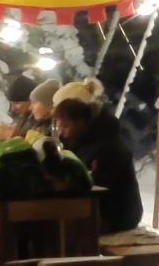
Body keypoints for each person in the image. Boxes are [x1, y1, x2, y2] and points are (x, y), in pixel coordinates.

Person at [50, 79, 143, 234]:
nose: (61, 132)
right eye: (59, 126)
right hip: (96, 209)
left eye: (65, 126)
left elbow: (96, 188)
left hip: (115, 215)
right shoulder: (80, 139)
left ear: (80, 122)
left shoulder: (109, 147)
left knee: (54, 228)